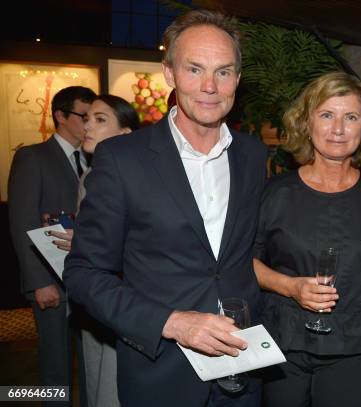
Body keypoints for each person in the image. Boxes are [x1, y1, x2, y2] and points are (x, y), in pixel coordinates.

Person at [63, 10, 267, 407]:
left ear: (237, 81)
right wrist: (172, 323)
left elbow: (247, 255)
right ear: (170, 74)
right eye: (195, 69)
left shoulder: (252, 155)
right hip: (163, 374)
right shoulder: (122, 159)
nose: (210, 86)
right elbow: (84, 273)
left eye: (223, 72)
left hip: (243, 369)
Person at [253, 71, 361, 407]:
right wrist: (290, 287)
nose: (338, 129)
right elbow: (244, 262)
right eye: (326, 115)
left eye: (350, 117)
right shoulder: (274, 195)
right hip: (283, 344)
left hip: (352, 346)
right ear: (307, 124)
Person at [48, 94, 139, 407]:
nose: (88, 126)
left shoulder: (126, 177)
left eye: (101, 120)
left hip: (117, 297)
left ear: (125, 134)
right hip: (92, 294)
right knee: (96, 379)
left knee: (111, 386)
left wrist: (90, 242)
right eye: (88, 118)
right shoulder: (91, 174)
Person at [8, 85, 96, 405]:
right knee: (56, 367)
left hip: (88, 280)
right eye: (83, 115)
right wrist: (40, 282)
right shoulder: (33, 157)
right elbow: (22, 222)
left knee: (92, 365)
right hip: (52, 282)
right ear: (60, 115)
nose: (88, 123)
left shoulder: (95, 159)